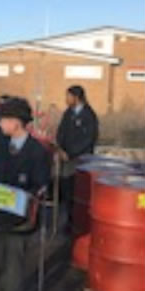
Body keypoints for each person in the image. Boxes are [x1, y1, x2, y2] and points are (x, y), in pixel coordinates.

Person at [0, 97, 50, 291]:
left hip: (19, 217)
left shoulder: (37, 152)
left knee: (14, 262)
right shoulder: (0, 146)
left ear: (16, 122)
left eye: (3, 120)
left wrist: (35, 193)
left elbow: (40, 183)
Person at [56, 85, 99, 229]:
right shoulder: (68, 113)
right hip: (66, 158)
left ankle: (77, 221)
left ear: (77, 97)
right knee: (67, 190)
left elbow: (88, 138)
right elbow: (61, 132)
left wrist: (72, 153)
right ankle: (68, 220)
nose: (66, 100)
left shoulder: (89, 116)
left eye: (68, 97)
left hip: (80, 159)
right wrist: (60, 149)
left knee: (78, 190)